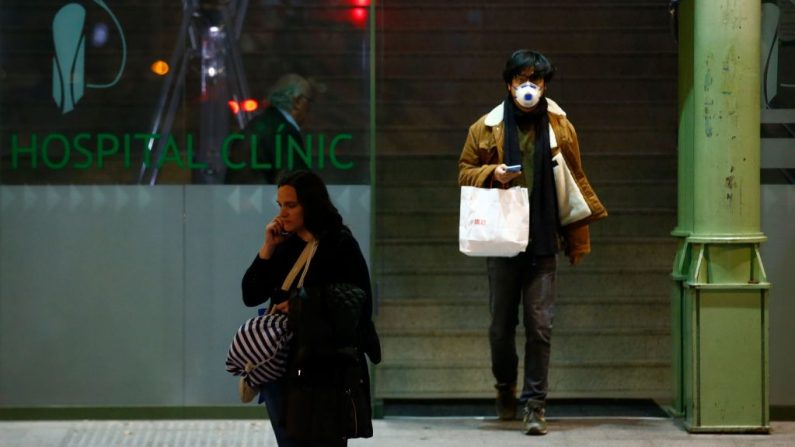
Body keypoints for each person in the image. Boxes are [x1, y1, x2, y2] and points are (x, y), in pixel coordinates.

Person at [457, 50, 607, 436]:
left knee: (540, 327)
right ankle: (505, 386)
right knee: (500, 327)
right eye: (522, 79)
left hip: (543, 240)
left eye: (536, 81)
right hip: (502, 240)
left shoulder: (560, 126)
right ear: (509, 83)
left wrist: (577, 239)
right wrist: (494, 173)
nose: (529, 87)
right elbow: (464, 172)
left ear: (544, 86)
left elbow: (575, 182)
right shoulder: (486, 127)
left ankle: (534, 405)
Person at [239, 170, 380, 447]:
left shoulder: (340, 245)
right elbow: (250, 294)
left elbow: (358, 307)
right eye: (280, 206)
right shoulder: (284, 244)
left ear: (311, 204)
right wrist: (267, 247)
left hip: (325, 373)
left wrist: (301, 305)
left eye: (291, 205)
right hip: (282, 368)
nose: (283, 213)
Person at [225, 74, 318, 184]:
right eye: (309, 101)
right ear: (297, 102)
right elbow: (297, 182)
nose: (309, 109)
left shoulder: (257, 124)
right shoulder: (284, 131)